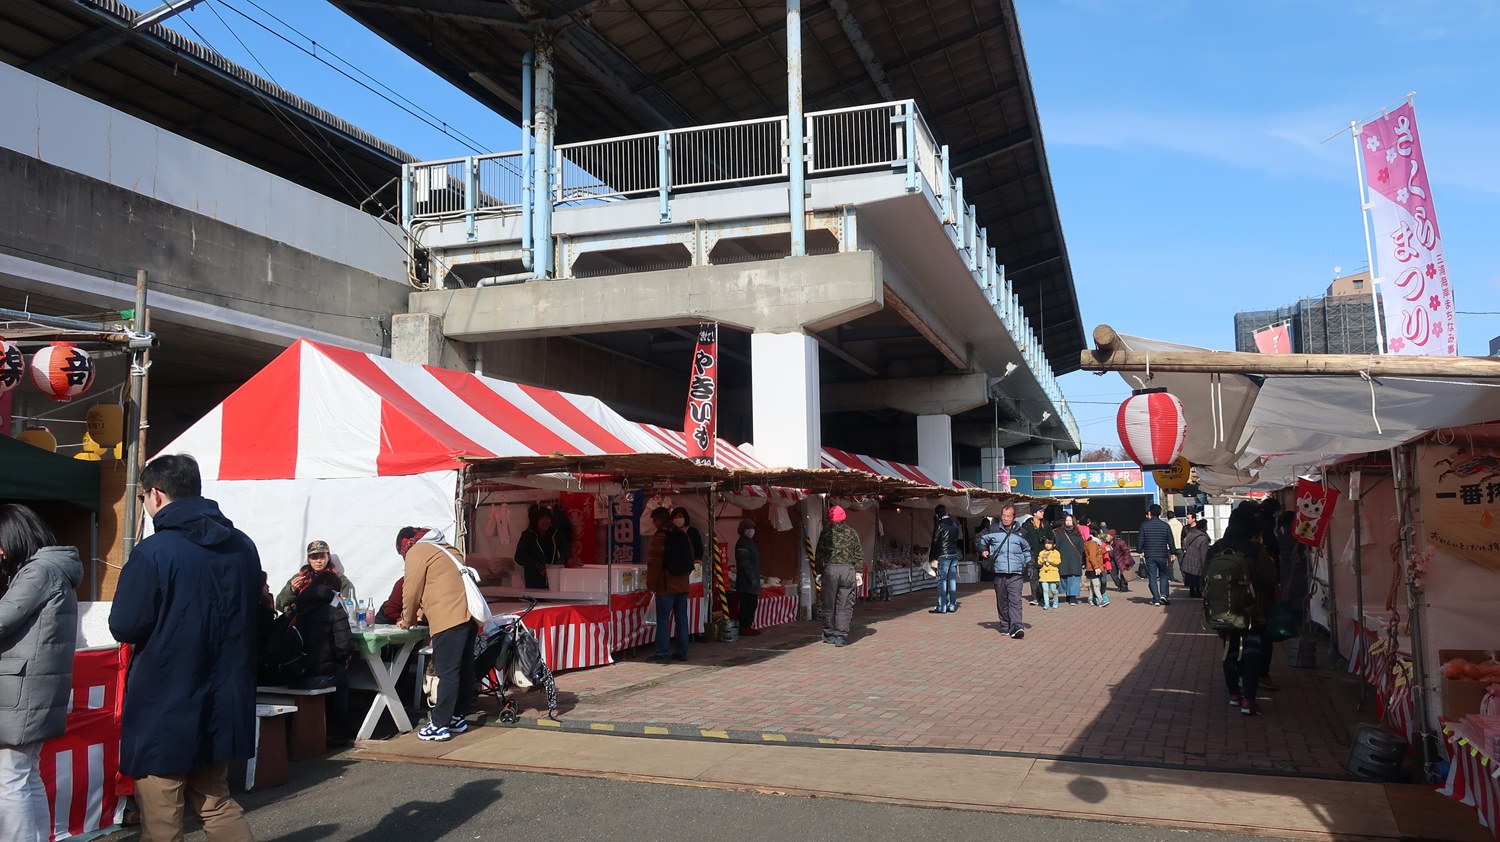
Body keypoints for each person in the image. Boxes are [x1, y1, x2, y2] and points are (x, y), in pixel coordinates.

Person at [109, 454, 259, 842]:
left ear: (155, 495)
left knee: (161, 819)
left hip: (164, 702)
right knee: (217, 802)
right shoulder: (242, 546)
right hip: (223, 697)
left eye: (143, 496)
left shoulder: (154, 552)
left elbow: (124, 625)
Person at [0, 504, 81, 842]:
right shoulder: (55, 568)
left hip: (23, 693)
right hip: (35, 691)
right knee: (26, 774)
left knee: (10, 779)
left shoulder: (40, 571)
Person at [397, 526, 477, 741]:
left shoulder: (417, 551)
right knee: (464, 670)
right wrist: (420, 614)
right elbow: (438, 586)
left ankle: (440, 724)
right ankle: (456, 718)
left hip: (448, 618)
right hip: (468, 616)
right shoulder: (448, 548)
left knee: (447, 673)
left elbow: (411, 589)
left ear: (404, 546)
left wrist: (407, 619)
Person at [1207, 502, 1276, 716]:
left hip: (1223, 609)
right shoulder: (1255, 549)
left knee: (1230, 649)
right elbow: (1269, 579)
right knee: (1253, 652)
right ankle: (1249, 700)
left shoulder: (1216, 548)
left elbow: (1205, 578)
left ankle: (1234, 695)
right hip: (1252, 612)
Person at [286, 569, 356, 724]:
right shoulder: (335, 605)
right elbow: (344, 646)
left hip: (290, 674)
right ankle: (339, 730)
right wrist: (342, 659)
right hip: (315, 677)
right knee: (342, 678)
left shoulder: (299, 603)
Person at [646, 508, 692, 663]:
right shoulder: (682, 534)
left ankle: (662, 653)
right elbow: (691, 557)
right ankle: (682, 652)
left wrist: (651, 585)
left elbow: (654, 563)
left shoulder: (660, 536)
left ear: (660, 520)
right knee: (682, 618)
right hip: (683, 585)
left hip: (666, 586)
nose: (653, 523)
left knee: (663, 620)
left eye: (654, 520)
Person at [976, 503, 1028, 639]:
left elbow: (1028, 550)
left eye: (1008, 516)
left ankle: (1017, 626)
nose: (1006, 519)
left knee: (1015, 600)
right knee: (1002, 600)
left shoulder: (1022, 532)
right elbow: (979, 539)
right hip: (999, 572)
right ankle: (1005, 624)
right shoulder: (992, 529)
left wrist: (1030, 564)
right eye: (1004, 516)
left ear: (1014, 517)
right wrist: (983, 550)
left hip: (1016, 573)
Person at [815, 505, 863, 646]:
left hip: (830, 570)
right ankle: (841, 636)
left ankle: (829, 632)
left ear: (830, 518)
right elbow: (858, 554)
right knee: (845, 603)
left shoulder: (826, 533)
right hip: (848, 570)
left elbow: (819, 554)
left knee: (829, 602)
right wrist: (858, 571)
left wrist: (819, 571)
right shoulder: (852, 533)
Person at [275, 539, 354, 612]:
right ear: (309, 559)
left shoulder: (338, 579)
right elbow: (279, 605)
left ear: (328, 557)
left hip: (329, 622)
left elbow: (348, 607)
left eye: (322, 557)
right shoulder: (300, 578)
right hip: (303, 623)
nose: (318, 561)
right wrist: (292, 590)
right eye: (314, 557)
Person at [1137, 504, 1178, 606]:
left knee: (1152, 576)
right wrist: (1173, 552)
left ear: (1150, 513)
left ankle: (1156, 598)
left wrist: (1139, 550)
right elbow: (1171, 540)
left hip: (1150, 554)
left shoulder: (1144, 525)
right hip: (1162, 554)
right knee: (1164, 574)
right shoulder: (1165, 526)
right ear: (1160, 513)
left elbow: (1140, 540)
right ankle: (1164, 595)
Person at [514, 503, 563, 590]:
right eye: (542, 519)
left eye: (548, 519)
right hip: (534, 583)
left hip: (553, 583)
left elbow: (565, 548)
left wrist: (562, 561)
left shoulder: (554, 534)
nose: (546, 522)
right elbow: (519, 556)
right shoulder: (528, 535)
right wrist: (537, 566)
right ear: (535, 521)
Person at [927, 504, 961, 614]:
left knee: (942, 581)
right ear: (946, 512)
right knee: (952, 581)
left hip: (943, 555)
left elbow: (935, 541)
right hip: (954, 555)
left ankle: (942, 606)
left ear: (937, 514)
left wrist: (931, 557)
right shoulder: (955, 525)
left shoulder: (940, 524)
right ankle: (952, 605)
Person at [734, 518, 762, 636]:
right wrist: (752, 578)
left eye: (753, 529)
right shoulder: (742, 544)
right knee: (747, 604)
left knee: (752, 604)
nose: (752, 531)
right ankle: (745, 626)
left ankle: (747, 625)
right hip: (746, 581)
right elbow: (744, 563)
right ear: (743, 530)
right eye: (749, 529)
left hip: (751, 580)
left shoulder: (749, 543)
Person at [1052, 514, 1086, 606]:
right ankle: (1068, 594)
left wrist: (1083, 560)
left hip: (1075, 559)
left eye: (1070, 521)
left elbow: (1081, 548)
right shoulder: (1060, 533)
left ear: (1073, 522)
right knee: (1065, 577)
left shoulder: (1077, 534)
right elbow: (1057, 546)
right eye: (1067, 520)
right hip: (1063, 558)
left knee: (1074, 577)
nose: (1068, 522)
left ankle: (1073, 597)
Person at [1019, 505, 1050, 606]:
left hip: (1044, 554)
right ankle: (1035, 597)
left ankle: (1042, 596)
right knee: (1033, 576)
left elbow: (1051, 537)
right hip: (1031, 554)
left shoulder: (1046, 524)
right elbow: (1023, 539)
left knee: (1043, 577)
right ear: (1034, 513)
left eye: (1042, 511)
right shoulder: (1026, 525)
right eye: (1040, 511)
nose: (1042, 513)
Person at [1180, 515, 1211, 598]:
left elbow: (1185, 544)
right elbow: (1203, 553)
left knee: (1190, 576)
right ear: (1203, 528)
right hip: (1197, 560)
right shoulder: (1203, 538)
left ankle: (1192, 591)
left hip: (1189, 557)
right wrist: (1205, 563)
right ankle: (1198, 591)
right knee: (1198, 577)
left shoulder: (1191, 533)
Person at [1083, 531, 1110, 606]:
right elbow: (1092, 556)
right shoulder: (1092, 543)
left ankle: (1090, 599)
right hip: (1093, 567)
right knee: (1096, 584)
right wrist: (1096, 567)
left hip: (1093, 567)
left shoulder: (1093, 543)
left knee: (1093, 584)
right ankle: (1100, 600)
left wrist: (1105, 551)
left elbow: (1096, 553)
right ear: (1097, 535)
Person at [1037, 536, 1062, 610]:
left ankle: (1055, 601)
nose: (1047, 545)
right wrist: (1043, 559)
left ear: (1053, 545)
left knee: (1053, 590)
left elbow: (1058, 562)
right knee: (1045, 590)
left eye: (1049, 543)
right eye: (1046, 543)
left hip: (1053, 574)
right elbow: (1039, 562)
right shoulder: (1042, 552)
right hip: (1044, 574)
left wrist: (1049, 559)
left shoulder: (1056, 553)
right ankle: (1046, 604)